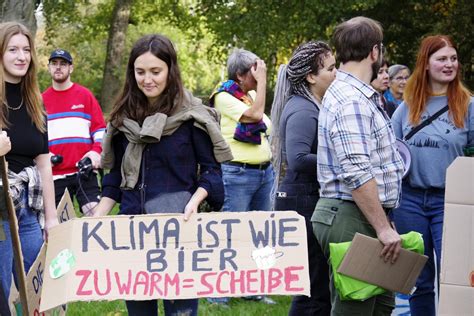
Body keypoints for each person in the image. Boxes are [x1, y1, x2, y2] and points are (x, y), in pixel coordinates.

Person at [92, 34, 231, 316]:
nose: (148, 79)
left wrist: (195, 200)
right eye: (140, 72)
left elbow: (213, 173)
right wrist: (98, 215)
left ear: (170, 70)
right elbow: (115, 178)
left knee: (181, 312)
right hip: (133, 232)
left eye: (156, 71)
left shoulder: (193, 116)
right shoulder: (122, 118)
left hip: (179, 230)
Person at [311, 16, 404, 315]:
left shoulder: (358, 94)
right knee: (357, 309)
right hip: (350, 215)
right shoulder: (351, 98)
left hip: (363, 214)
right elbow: (356, 170)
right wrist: (382, 226)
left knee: (381, 306)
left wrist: (384, 220)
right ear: (375, 52)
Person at [390, 35, 474, 316]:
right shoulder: (407, 106)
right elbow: (390, 154)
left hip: (450, 202)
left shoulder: (468, 105)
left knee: (453, 275)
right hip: (410, 201)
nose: (449, 64)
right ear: (425, 64)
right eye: (442, 59)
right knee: (419, 279)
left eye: (453, 58)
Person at [270, 41, 335, 316]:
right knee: (313, 290)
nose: (336, 74)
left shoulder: (310, 105)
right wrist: (339, 163)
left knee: (316, 286)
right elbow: (297, 159)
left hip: (306, 198)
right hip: (303, 202)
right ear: (311, 76)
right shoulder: (303, 110)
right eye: (331, 69)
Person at [207, 48, 275, 306]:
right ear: (240, 74)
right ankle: (218, 291)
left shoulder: (251, 95)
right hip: (236, 173)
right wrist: (264, 82)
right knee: (229, 233)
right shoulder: (224, 96)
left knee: (259, 234)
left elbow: (266, 126)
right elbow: (257, 116)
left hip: (263, 173)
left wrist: (259, 88)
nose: (259, 77)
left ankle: (252, 288)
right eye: (255, 72)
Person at [0, 21, 58, 303]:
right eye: (12, 49)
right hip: (0, 210)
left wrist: (51, 217)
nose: (22, 56)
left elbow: (44, 163)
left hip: (28, 210)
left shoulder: (35, 102)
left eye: (26, 49)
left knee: (36, 289)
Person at [43, 49, 106, 214]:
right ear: (49, 67)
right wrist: (44, 155)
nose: (58, 67)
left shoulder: (85, 95)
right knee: (59, 228)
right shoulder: (40, 101)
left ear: (71, 68)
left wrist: (96, 152)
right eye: (54, 63)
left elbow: (100, 129)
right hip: (55, 175)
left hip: (84, 171)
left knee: (95, 217)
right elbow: (36, 137)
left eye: (63, 64)